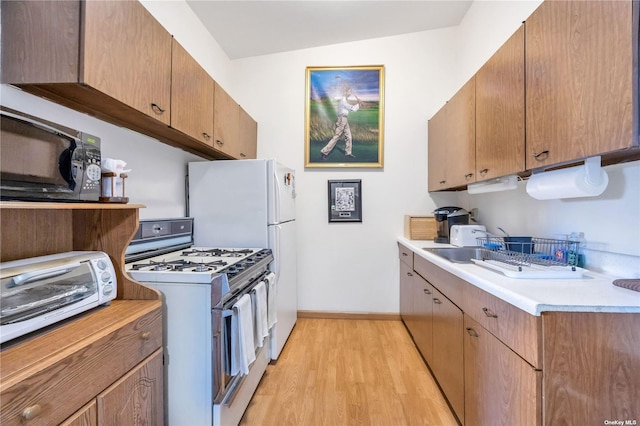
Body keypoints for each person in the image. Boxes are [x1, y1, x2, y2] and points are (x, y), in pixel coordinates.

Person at [320, 86, 361, 160]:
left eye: (350, 91)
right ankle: (324, 152)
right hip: (342, 120)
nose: (350, 93)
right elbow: (351, 109)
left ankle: (348, 152)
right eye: (349, 91)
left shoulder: (345, 100)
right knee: (336, 137)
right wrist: (358, 104)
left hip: (344, 119)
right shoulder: (343, 101)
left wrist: (358, 104)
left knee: (349, 136)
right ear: (344, 92)